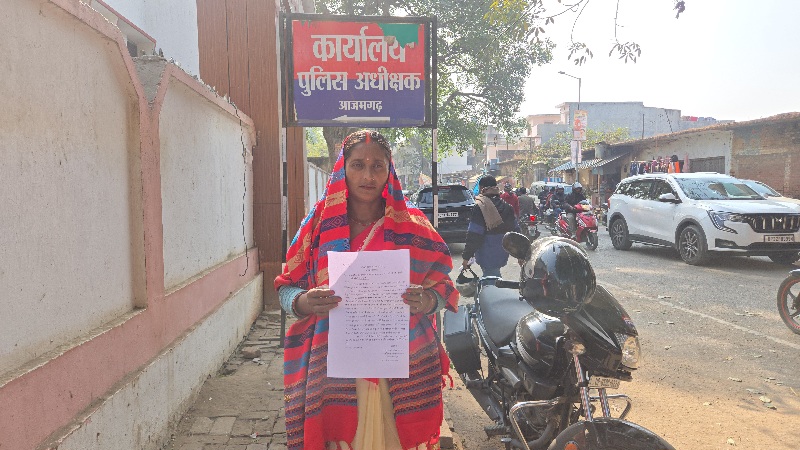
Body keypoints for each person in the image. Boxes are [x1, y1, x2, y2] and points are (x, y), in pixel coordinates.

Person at [275, 130, 459, 450]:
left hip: (400, 365)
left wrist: (429, 299)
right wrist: (303, 302)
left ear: (390, 171)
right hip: (333, 367)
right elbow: (285, 288)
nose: (368, 176)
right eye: (358, 165)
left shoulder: (414, 225)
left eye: (378, 166)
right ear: (342, 169)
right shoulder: (317, 225)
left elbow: (444, 286)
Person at [462, 175, 518, 277]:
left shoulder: (480, 207)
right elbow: (516, 231)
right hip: (502, 250)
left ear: (481, 188)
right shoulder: (507, 206)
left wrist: (466, 256)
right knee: (493, 274)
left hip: (486, 251)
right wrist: (521, 254)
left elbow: (474, 234)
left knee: (491, 277)